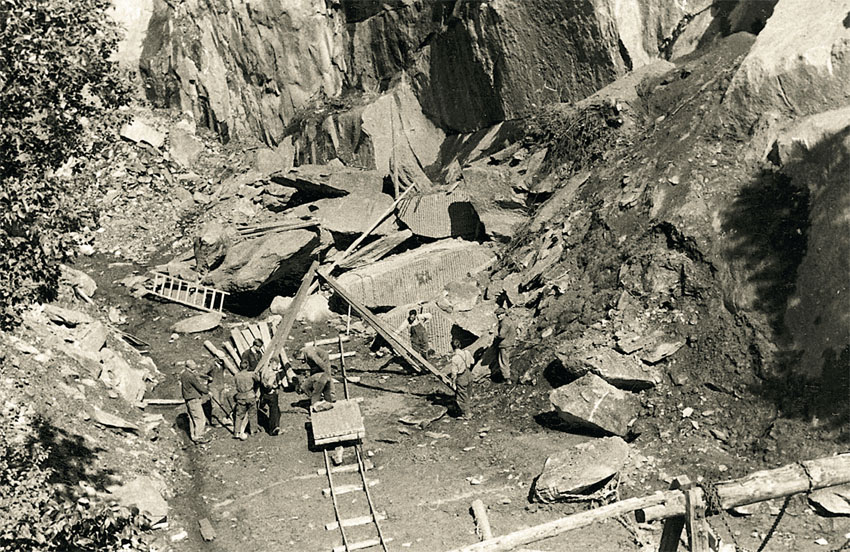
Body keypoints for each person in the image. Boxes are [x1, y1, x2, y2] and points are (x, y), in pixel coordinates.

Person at [180, 360, 211, 443]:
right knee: (200, 418)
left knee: (192, 418)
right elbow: (198, 386)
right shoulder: (190, 376)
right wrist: (207, 391)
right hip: (193, 399)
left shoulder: (184, 374)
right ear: (189, 366)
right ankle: (199, 436)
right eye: (193, 365)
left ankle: (193, 435)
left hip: (188, 399)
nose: (195, 365)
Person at [299, 346, 335, 412]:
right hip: (317, 373)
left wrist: (326, 371)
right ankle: (328, 399)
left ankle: (331, 395)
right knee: (322, 379)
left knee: (325, 378)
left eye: (300, 358)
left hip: (323, 359)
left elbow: (320, 362)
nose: (301, 361)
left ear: (301, 353)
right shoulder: (304, 352)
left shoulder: (310, 353)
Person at [258, 359, 285, 435]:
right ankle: (273, 429)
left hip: (264, 394)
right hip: (271, 394)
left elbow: (262, 380)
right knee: (274, 412)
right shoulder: (272, 374)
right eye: (276, 365)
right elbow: (269, 386)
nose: (277, 367)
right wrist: (275, 386)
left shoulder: (264, 370)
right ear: (272, 364)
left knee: (276, 411)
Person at [449, 339, 474, 419]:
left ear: (452, 348)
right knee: (468, 393)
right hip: (469, 374)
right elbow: (472, 362)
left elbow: (454, 373)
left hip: (462, 377)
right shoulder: (467, 353)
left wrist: (453, 382)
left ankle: (467, 414)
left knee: (461, 396)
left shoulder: (454, 358)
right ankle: (469, 409)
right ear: (460, 345)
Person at [233, 365, 259, 440]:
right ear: (247, 367)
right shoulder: (251, 374)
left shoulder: (236, 375)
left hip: (240, 396)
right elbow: (258, 380)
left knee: (239, 415)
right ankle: (253, 431)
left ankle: (236, 432)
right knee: (252, 414)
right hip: (250, 396)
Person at [494, 307, 516, 383]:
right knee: (505, 360)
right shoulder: (507, 320)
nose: (498, 316)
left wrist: (494, 335)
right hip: (509, 343)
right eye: (497, 315)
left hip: (504, 345)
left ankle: (507, 378)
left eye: (500, 314)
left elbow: (501, 335)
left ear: (504, 314)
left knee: (503, 361)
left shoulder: (504, 323)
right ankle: (507, 376)